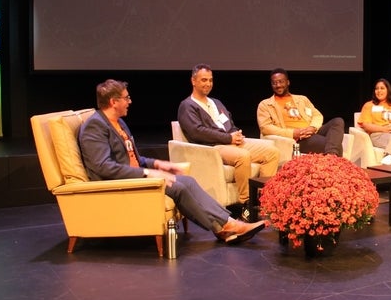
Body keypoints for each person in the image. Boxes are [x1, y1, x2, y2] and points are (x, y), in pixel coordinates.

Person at [78, 78, 266, 244]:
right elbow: (103, 167)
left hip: (133, 176)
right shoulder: (95, 126)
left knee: (188, 181)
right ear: (113, 101)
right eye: (126, 98)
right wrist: (147, 173)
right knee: (179, 187)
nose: (130, 101)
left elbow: (132, 158)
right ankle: (226, 226)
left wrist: (159, 164)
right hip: (118, 183)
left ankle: (225, 226)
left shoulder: (119, 122)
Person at [177, 64, 280, 217]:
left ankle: (263, 199)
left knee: (272, 152)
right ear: (193, 81)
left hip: (230, 141)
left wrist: (235, 134)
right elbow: (197, 133)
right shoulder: (188, 106)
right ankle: (247, 203)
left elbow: (228, 123)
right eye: (204, 80)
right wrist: (228, 138)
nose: (208, 84)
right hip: (212, 147)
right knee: (242, 156)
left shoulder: (216, 103)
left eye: (210, 80)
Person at [257, 68, 344, 156]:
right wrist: (293, 133)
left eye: (281, 81)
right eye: (274, 83)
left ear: (288, 82)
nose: (278, 85)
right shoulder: (265, 104)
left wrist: (312, 128)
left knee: (337, 121)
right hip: (298, 139)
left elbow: (317, 115)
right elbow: (265, 127)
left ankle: (331, 156)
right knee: (334, 144)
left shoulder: (302, 99)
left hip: (311, 131)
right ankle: (333, 157)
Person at [357, 78, 391, 165]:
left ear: (388, 90)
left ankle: (389, 155)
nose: (379, 91)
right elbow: (366, 125)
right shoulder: (369, 105)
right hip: (379, 135)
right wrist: (384, 129)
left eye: (382, 88)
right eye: (376, 88)